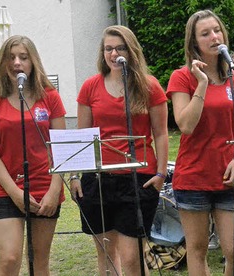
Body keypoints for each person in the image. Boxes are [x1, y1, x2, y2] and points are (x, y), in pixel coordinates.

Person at [71, 25, 168, 275]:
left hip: (139, 179)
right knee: (107, 256)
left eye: (120, 48)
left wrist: (160, 175)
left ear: (131, 51)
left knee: (131, 257)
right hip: (98, 179)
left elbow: (160, 133)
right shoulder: (90, 86)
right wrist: (74, 176)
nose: (114, 54)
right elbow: (81, 138)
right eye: (108, 49)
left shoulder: (149, 86)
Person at [167, 10, 234, 276]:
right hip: (193, 177)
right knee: (198, 250)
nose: (214, 37)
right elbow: (186, 125)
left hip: (227, 177)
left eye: (217, 30)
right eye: (205, 33)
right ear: (194, 42)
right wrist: (201, 84)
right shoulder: (181, 77)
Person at [0, 35, 66, 275]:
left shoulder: (50, 97)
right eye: (11, 57)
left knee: (39, 262)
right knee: (9, 258)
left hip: (45, 189)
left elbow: (60, 147)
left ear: (33, 62)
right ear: (3, 63)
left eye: (23, 57)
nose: (17, 62)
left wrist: (54, 190)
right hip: (7, 189)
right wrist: (15, 192)